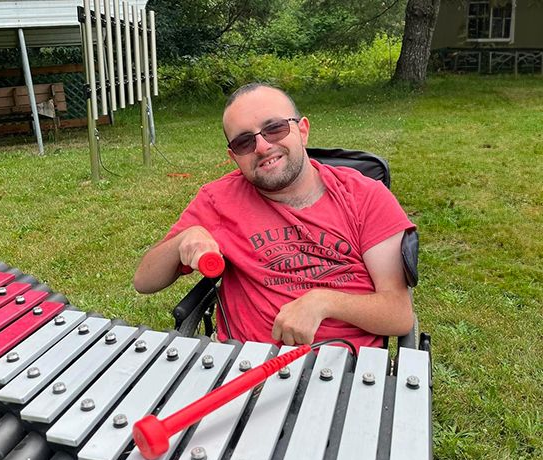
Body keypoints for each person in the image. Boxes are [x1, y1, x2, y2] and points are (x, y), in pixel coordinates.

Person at [134, 83, 415, 350]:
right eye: (244, 142)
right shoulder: (218, 200)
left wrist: (324, 302)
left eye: (275, 128)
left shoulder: (365, 196)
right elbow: (144, 281)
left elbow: (398, 313)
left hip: (348, 369)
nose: (262, 147)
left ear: (302, 130)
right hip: (246, 363)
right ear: (233, 156)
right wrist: (183, 240)